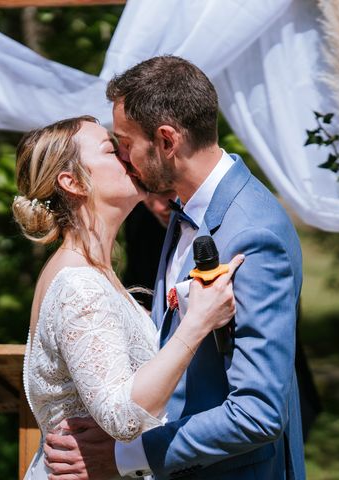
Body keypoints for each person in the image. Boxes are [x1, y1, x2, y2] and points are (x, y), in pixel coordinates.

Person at [44, 56, 307, 479]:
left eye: (125, 143)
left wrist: (122, 457)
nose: (124, 158)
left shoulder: (254, 233)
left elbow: (259, 412)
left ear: (166, 141)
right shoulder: (184, 211)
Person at [12, 114, 244, 480]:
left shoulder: (91, 273)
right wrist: (198, 322)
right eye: (110, 149)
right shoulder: (79, 286)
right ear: (72, 182)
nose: (126, 156)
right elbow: (122, 417)